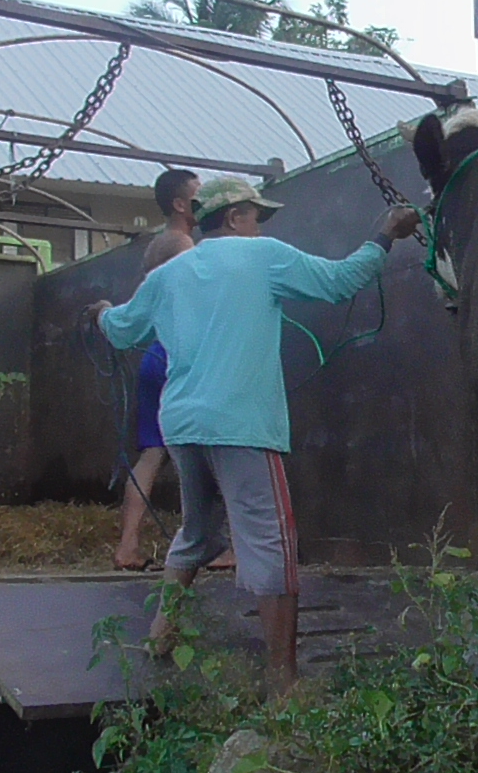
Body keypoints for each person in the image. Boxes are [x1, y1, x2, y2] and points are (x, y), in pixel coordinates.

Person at [91, 177, 418, 691]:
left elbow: (122, 330)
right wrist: (384, 234)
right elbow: (339, 282)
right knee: (272, 540)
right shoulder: (261, 256)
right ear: (233, 217)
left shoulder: (169, 274)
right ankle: (284, 683)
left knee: (198, 530)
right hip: (240, 423)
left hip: (182, 425)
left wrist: (103, 313)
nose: (260, 224)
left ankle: (161, 633)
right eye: (254, 215)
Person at [112, 168, 200, 571]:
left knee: (152, 454)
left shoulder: (158, 245)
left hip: (156, 355)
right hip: (175, 357)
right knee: (203, 453)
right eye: (198, 196)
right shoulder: (181, 245)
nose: (204, 202)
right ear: (180, 204)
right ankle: (207, 545)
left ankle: (128, 546)